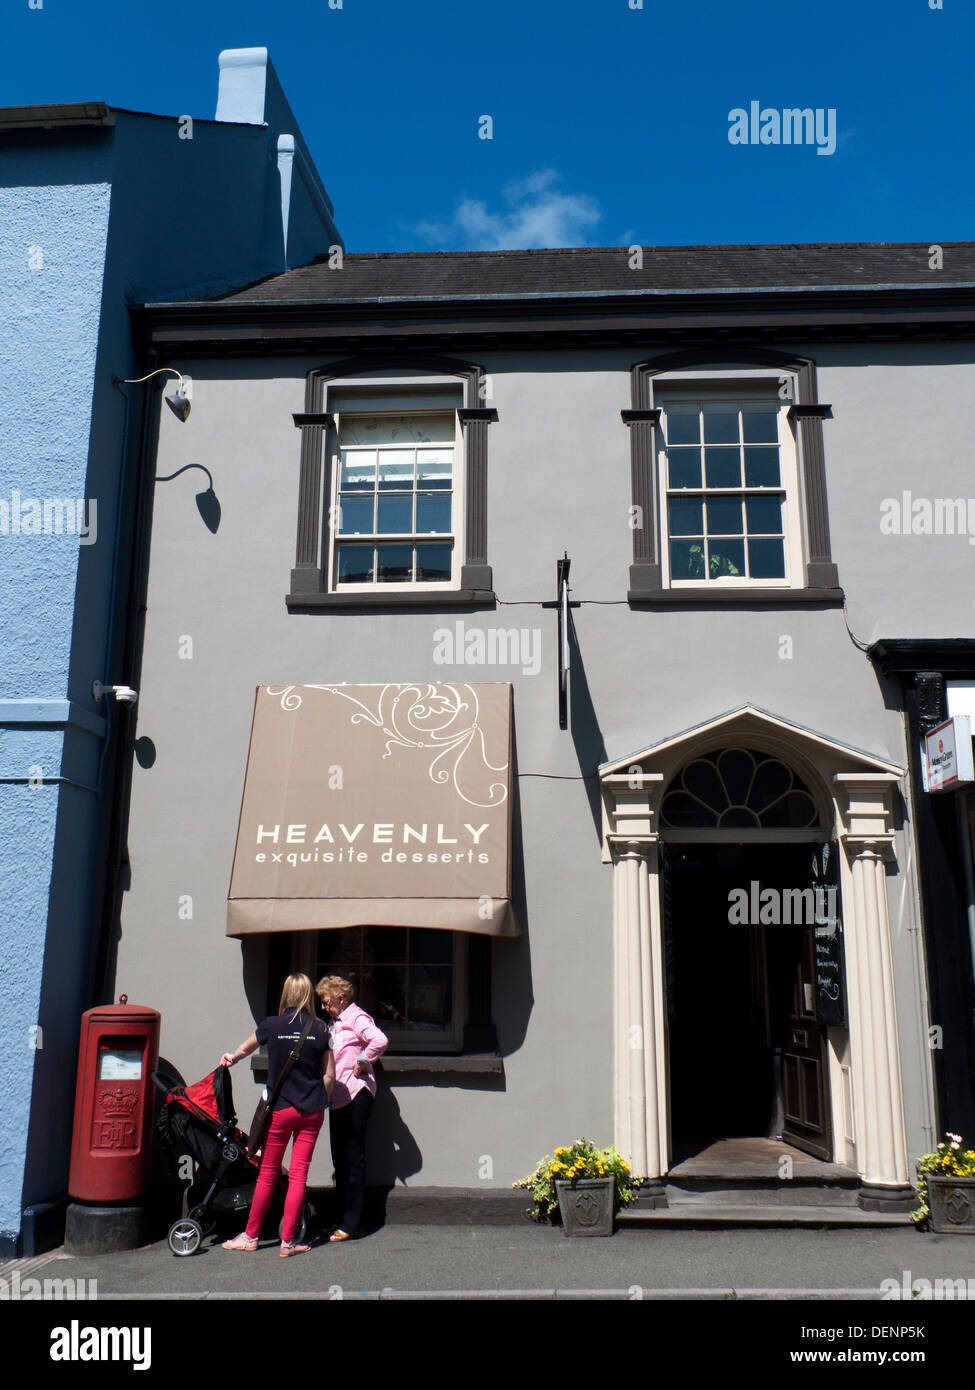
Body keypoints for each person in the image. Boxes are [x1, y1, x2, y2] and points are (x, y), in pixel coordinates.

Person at [219, 973, 333, 1256]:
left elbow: (246, 1049)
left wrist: (230, 1058)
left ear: (286, 994)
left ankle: (251, 1235)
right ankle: (289, 1242)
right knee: (298, 1175)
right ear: (308, 995)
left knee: (267, 1173)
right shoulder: (320, 1029)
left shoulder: (272, 1025)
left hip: (281, 1110)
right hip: (311, 1112)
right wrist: (321, 1100)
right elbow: (329, 1075)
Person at [316, 974, 388, 1241]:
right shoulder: (335, 1023)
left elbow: (379, 1040)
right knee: (340, 1158)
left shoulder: (356, 1017)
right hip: (337, 1096)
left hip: (356, 1094)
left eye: (326, 1002)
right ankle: (341, 1219)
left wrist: (363, 1060)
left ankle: (353, 1223)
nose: (324, 1007)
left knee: (353, 1156)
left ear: (341, 998)